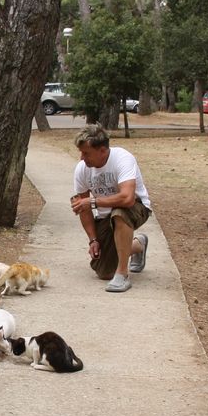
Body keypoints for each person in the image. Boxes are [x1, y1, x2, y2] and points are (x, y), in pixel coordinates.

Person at [69, 124, 152, 293]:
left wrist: (92, 202)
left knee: (119, 214)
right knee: (104, 271)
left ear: (102, 150)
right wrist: (93, 240)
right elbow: (83, 208)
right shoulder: (82, 169)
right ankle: (138, 245)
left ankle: (122, 275)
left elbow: (127, 198)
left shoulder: (123, 158)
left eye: (86, 153)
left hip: (136, 207)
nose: (81, 158)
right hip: (105, 216)